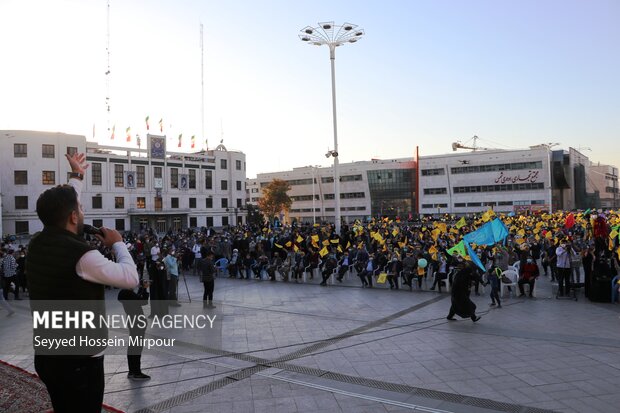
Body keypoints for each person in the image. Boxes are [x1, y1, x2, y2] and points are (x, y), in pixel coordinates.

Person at [27, 153, 139, 413]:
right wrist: (118, 243)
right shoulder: (83, 257)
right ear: (74, 218)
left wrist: (76, 177)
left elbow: (63, 206)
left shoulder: (37, 243)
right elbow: (130, 278)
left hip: (48, 354)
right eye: (80, 209)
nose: (82, 211)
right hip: (79, 362)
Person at [118, 280, 151, 381]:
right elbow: (143, 301)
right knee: (137, 347)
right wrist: (145, 288)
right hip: (137, 323)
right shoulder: (128, 293)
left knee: (132, 347)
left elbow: (137, 298)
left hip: (132, 321)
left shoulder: (124, 293)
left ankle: (132, 371)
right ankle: (136, 372)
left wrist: (141, 288)